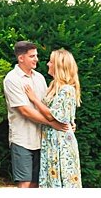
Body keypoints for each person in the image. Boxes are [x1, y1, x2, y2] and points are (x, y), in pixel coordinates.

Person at [3, 40, 69, 188]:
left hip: (42, 139)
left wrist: (67, 121)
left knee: (36, 183)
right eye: (32, 56)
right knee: (25, 182)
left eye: (36, 55)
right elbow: (25, 111)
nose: (37, 59)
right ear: (21, 58)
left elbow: (48, 106)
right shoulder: (12, 79)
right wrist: (53, 123)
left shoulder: (39, 78)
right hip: (23, 139)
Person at [33, 48, 82, 188]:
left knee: (63, 179)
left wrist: (34, 99)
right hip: (51, 140)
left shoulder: (67, 89)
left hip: (61, 143)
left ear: (59, 66)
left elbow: (52, 115)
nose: (48, 64)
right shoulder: (53, 86)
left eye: (51, 61)